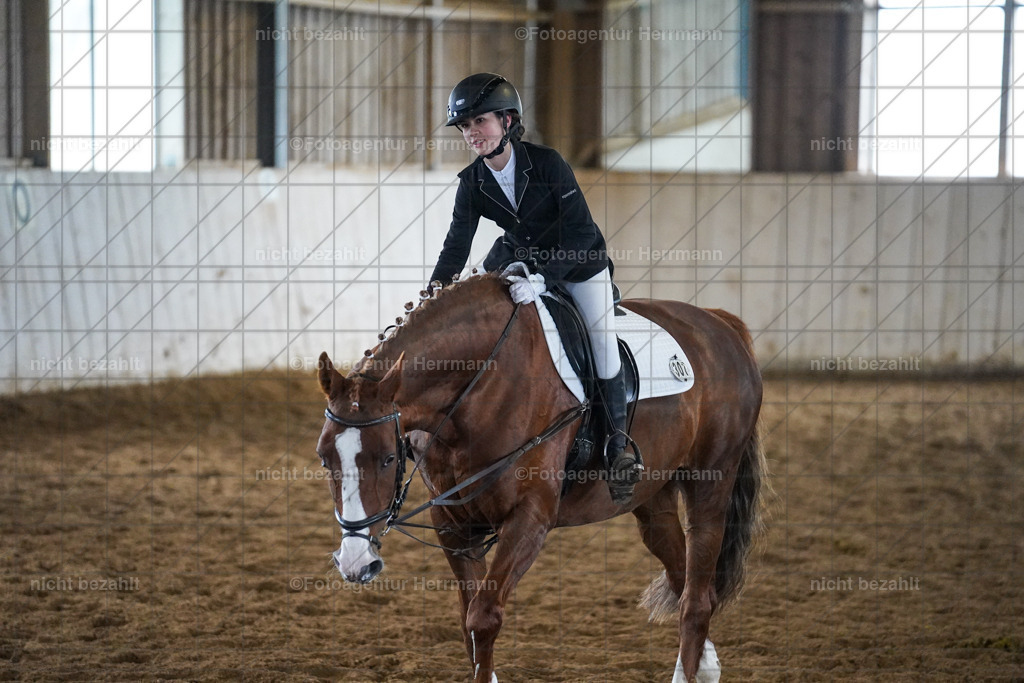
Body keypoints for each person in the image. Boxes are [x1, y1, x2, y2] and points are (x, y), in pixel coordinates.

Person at [428, 72, 641, 504]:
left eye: (480, 122)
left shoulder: (546, 164)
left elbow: (581, 236)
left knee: (601, 342)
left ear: (508, 121)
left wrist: (543, 277)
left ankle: (618, 449)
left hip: (579, 264)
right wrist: (433, 297)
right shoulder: (472, 182)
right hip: (518, 259)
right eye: (465, 126)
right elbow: (456, 246)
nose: (472, 133)